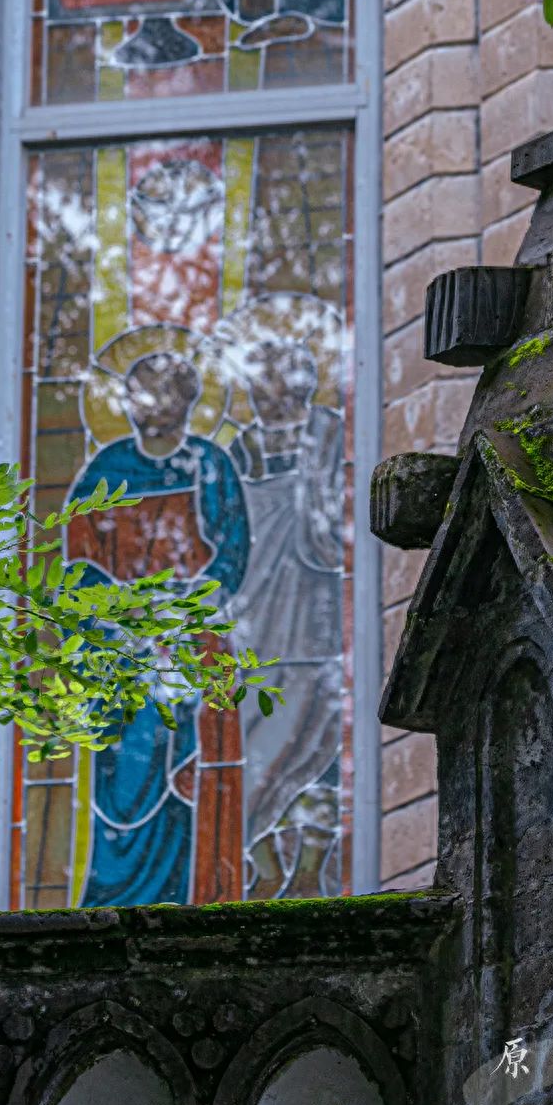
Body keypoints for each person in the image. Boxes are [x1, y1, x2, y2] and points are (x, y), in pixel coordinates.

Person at [66, 332, 250, 906]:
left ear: (188, 401)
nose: (149, 405)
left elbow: (231, 550)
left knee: (189, 767)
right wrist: (120, 615)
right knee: (122, 771)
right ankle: (114, 893)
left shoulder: (211, 464)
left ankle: (191, 891)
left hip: (191, 640)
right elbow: (79, 562)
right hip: (122, 648)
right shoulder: (106, 469)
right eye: (138, 393)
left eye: (163, 393)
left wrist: (187, 602)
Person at [219, 297, 347, 899]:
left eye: (277, 374)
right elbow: (223, 529)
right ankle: (261, 858)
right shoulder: (239, 445)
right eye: (257, 377)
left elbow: (336, 520)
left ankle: (309, 870)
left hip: (314, 612)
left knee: (317, 737)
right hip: (254, 618)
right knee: (254, 747)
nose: (266, 388)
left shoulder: (329, 432)